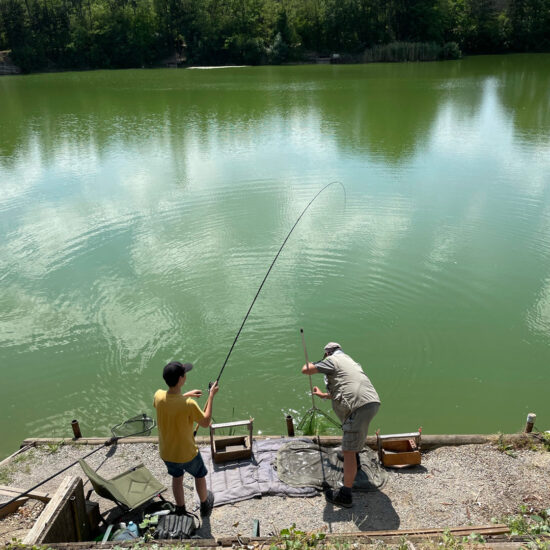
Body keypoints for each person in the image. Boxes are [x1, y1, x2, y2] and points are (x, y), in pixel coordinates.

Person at [301, 342, 380, 508]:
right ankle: (355, 464)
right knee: (353, 439)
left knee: (348, 450)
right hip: (370, 403)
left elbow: (305, 370)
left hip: (357, 406)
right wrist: (323, 395)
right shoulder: (350, 361)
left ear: (328, 353)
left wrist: (311, 363)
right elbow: (344, 387)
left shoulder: (333, 360)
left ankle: (345, 495)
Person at [153, 361, 219, 516]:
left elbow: (170, 402)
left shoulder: (158, 395)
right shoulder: (189, 404)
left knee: (177, 477)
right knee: (199, 475)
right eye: (185, 373)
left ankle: (181, 508)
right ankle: (204, 504)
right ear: (181, 379)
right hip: (187, 453)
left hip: (167, 453)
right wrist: (211, 396)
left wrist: (185, 395)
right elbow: (205, 422)